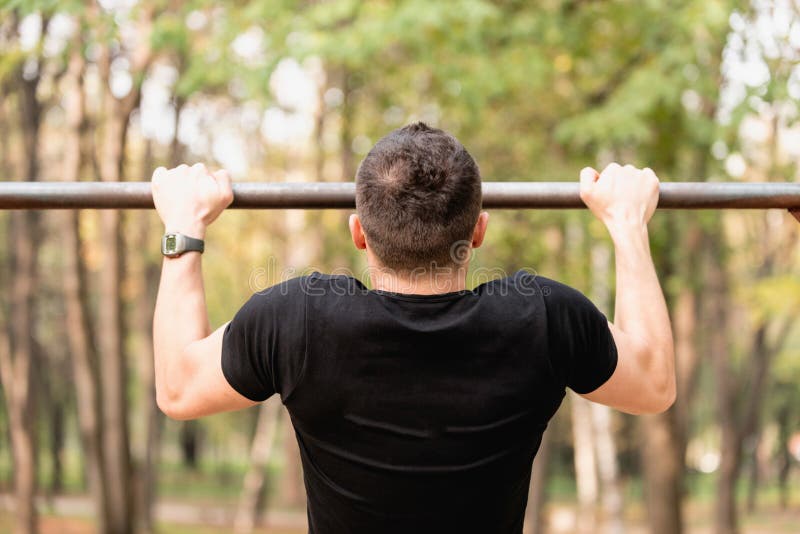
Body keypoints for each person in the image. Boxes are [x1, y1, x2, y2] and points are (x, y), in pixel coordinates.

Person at [151, 122, 674, 534]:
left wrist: (183, 229)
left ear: (359, 232)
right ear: (479, 230)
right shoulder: (541, 316)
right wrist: (628, 226)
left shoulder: (299, 319)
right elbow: (653, 385)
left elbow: (178, 389)